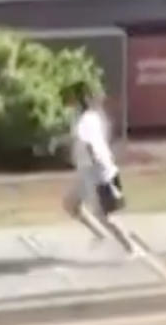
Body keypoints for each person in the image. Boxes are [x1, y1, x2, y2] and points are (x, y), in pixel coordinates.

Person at [61, 82, 142, 257]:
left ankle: (132, 248)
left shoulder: (86, 120)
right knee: (71, 204)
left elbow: (91, 144)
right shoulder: (88, 117)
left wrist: (96, 166)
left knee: (104, 216)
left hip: (96, 172)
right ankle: (100, 236)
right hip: (86, 171)